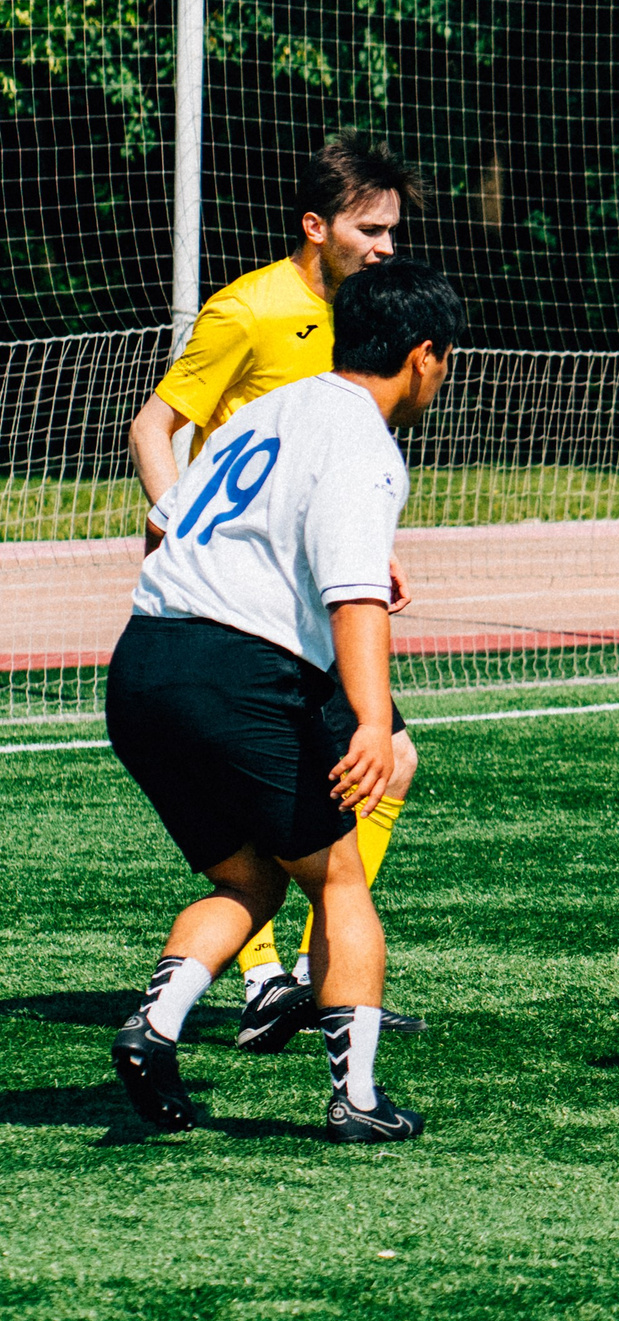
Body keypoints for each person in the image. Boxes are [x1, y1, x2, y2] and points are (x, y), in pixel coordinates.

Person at [105, 256, 463, 1139]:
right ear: (423, 355)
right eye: (448, 360)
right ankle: (359, 1101)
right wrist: (374, 723)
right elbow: (354, 596)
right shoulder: (366, 444)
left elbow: (173, 524)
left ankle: (154, 1025)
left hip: (144, 660)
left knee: (249, 876)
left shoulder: (266, 411)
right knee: (339, 879)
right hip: (240, 672)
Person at [125, 132, 431, 1051]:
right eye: (367, 229)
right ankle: (274, 980)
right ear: (315, 226)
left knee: (387, 770)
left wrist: (363, 551)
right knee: (363, 768)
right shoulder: (249, 310)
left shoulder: (364, 319)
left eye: (391, 232)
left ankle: (310, 975)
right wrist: (183, 518)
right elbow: (155, 424)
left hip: (292, 586)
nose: (384, 246)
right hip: (243, 603)